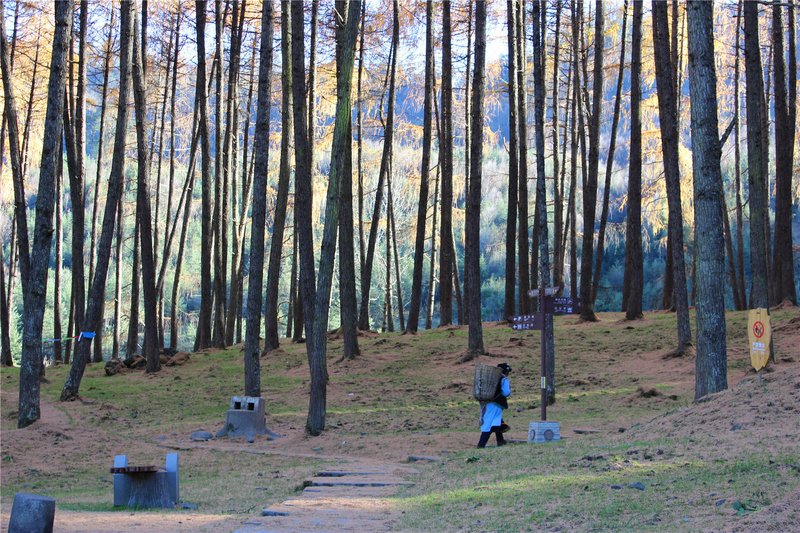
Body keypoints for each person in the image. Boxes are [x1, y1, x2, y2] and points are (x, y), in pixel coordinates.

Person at [477, 363, 512, 448]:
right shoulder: (503, 379)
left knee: (497, 421)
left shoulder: (489, 378)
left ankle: (500, 441)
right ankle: (481, 445)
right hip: (496, 404)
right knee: (489, 425)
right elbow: (506, 392)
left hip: (486, 403)